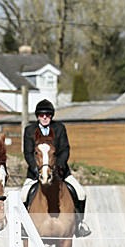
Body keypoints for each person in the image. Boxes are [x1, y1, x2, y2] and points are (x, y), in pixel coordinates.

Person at [21, 99, 92, 237]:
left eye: (48, 114)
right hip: (36, 172)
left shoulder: (59, 128)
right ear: (37, 116)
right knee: (23, 195)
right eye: (42, 115)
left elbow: (65, 149)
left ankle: (79, 223)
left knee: (81, 192)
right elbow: (28, 153)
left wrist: (58, 166)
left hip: (60, 172)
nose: (45, 117)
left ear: (52, 115)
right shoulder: (29, 130)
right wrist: (36, 169)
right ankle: (24, 226)